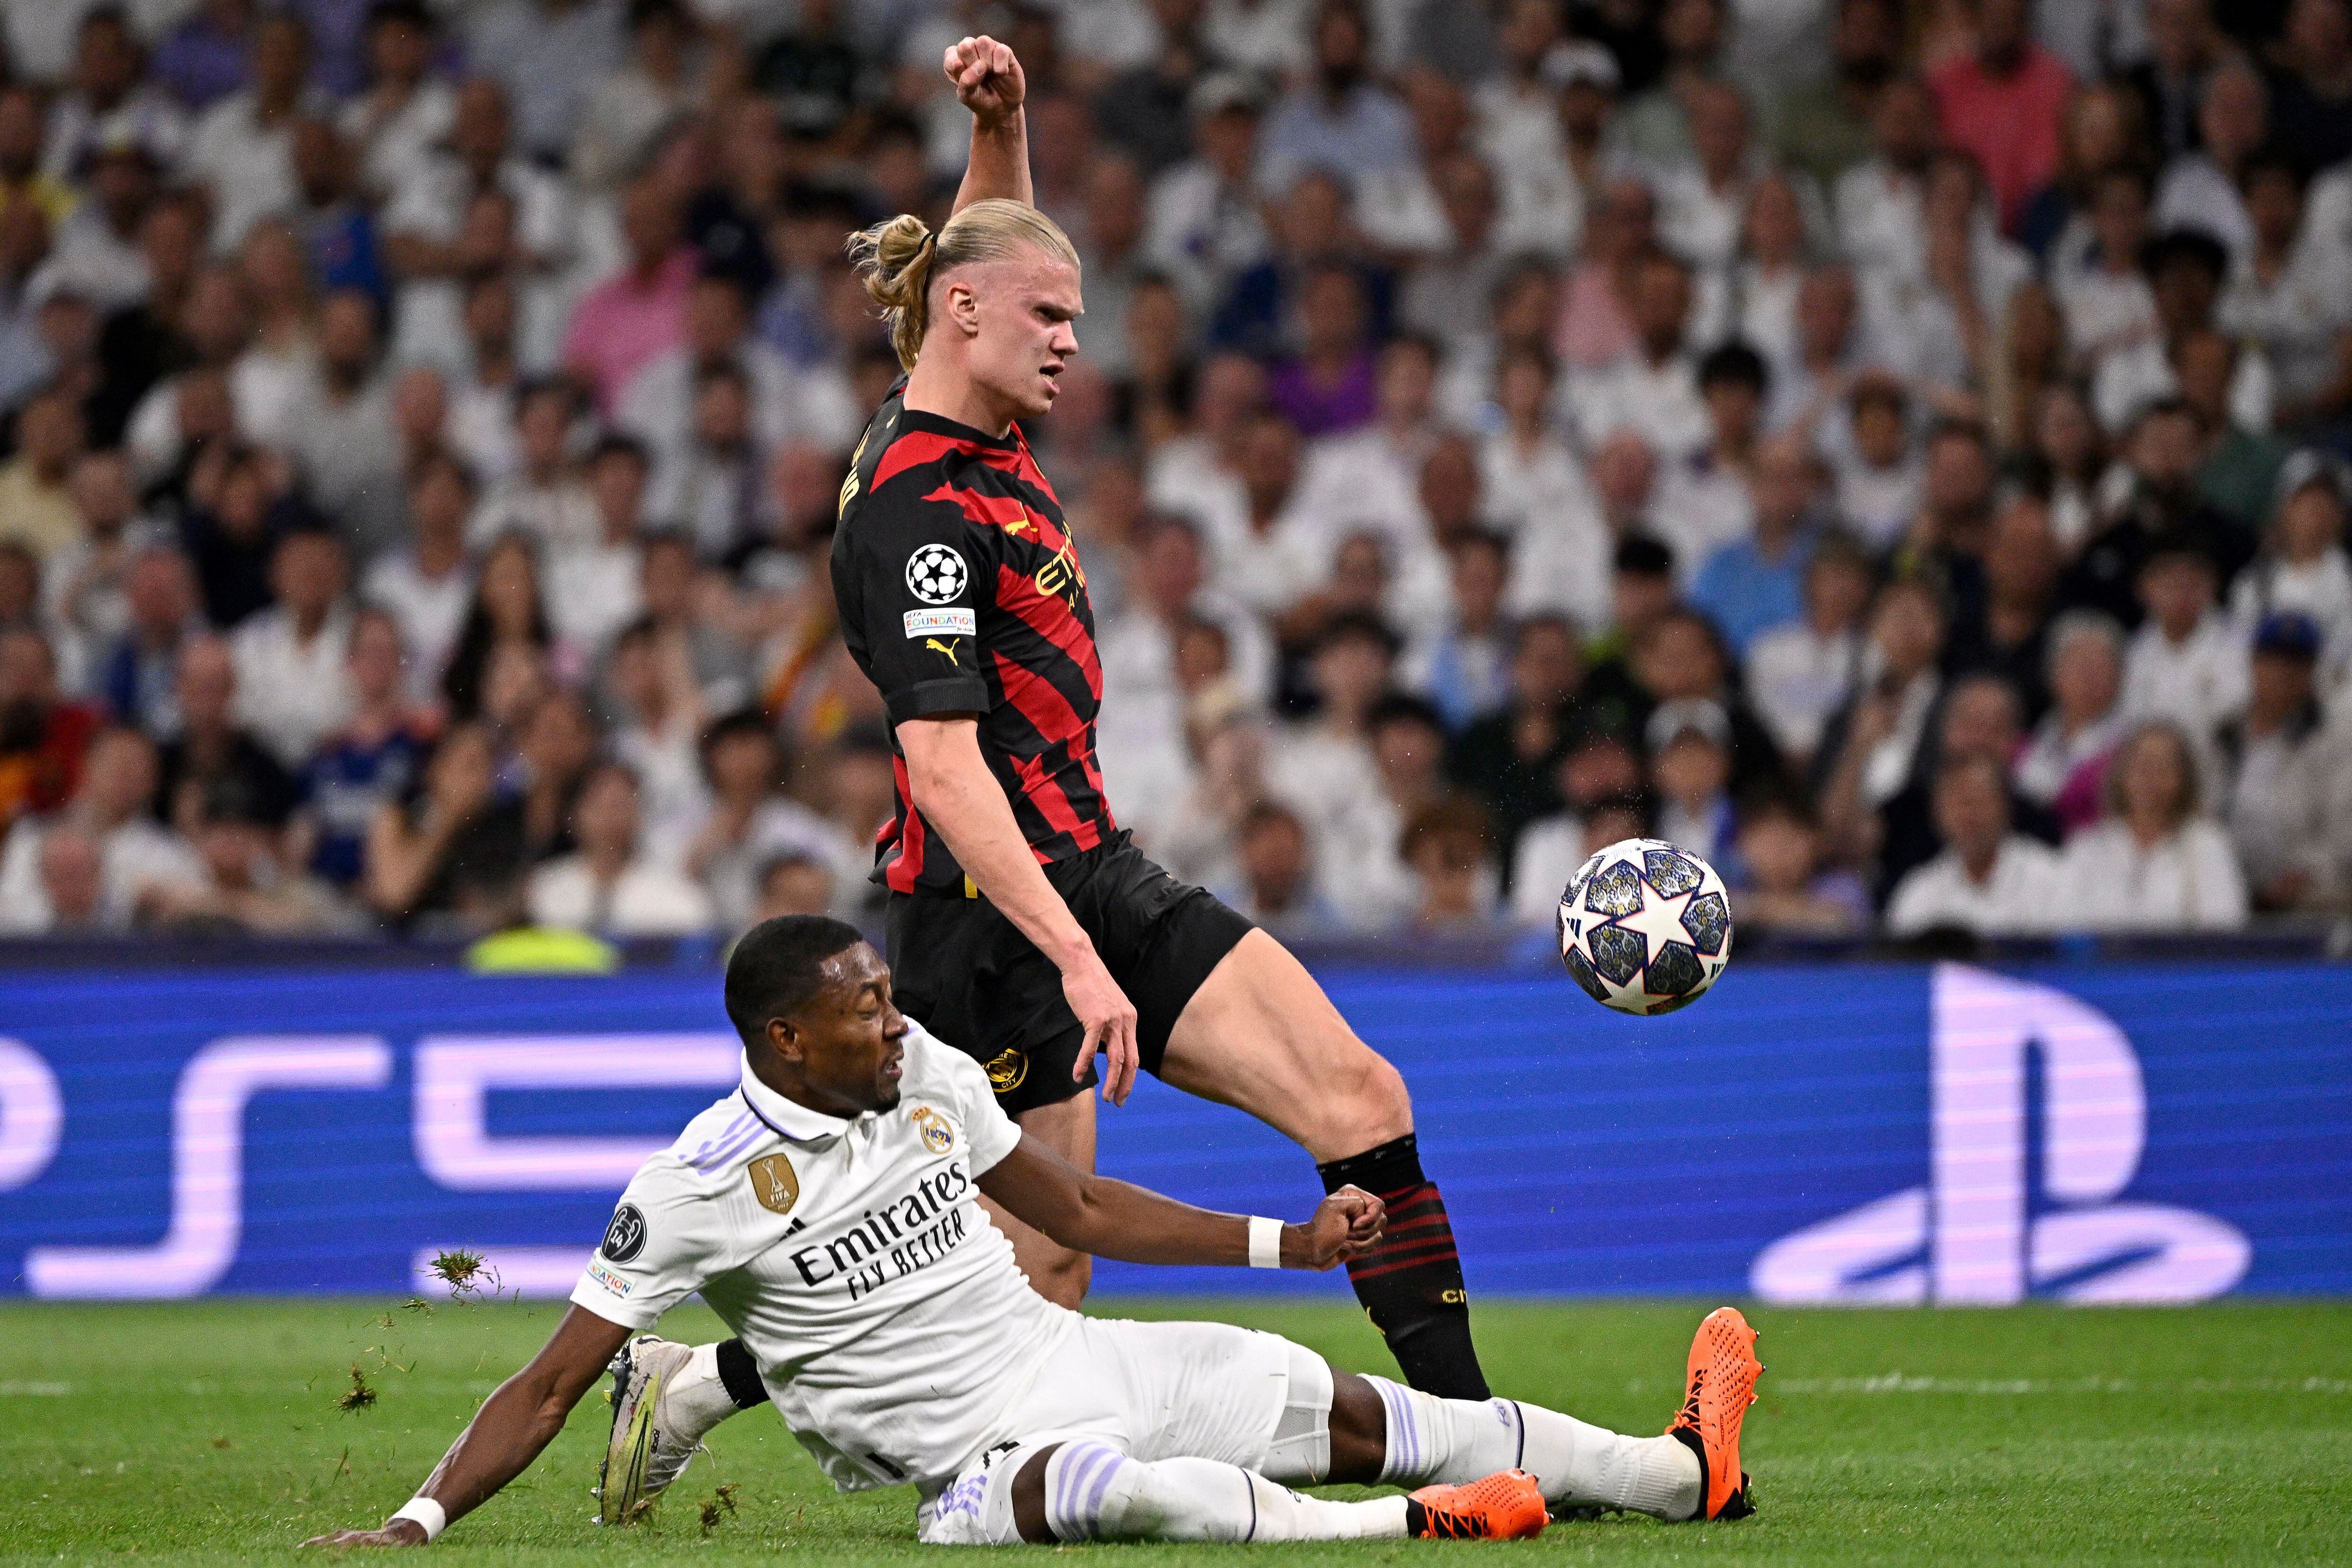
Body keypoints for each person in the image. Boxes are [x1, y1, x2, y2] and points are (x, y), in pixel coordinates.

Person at [809, 35, 1494, 1403]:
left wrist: (998, 131)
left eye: (1075, 312)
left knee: (1362, 1098)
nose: (1073, 340)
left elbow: (982, 253)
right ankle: (713, 1379)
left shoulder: (975, 419)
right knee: (1041, 1272)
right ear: (963, 320)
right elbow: (941, 769)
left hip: (1098, 868)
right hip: (990, 916)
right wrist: (1072, 956)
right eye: (1048, 319)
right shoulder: (918, 516)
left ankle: (1479, 1447)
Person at [297, 917, 1763, 1549]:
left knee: (1384, 1414)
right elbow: (549, 1380)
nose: (894, 1018)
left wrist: (1292, 1246)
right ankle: (1417, 1538)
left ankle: (1683, 1475)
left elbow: (1070, 1210)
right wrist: (417, 1521)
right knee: (1143, 1499)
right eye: (862, 1007)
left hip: (1076, 1362)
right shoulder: (690, 1186)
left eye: (888, 993)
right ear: (781, 1039)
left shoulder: (924, 1071)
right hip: (966, 1473)